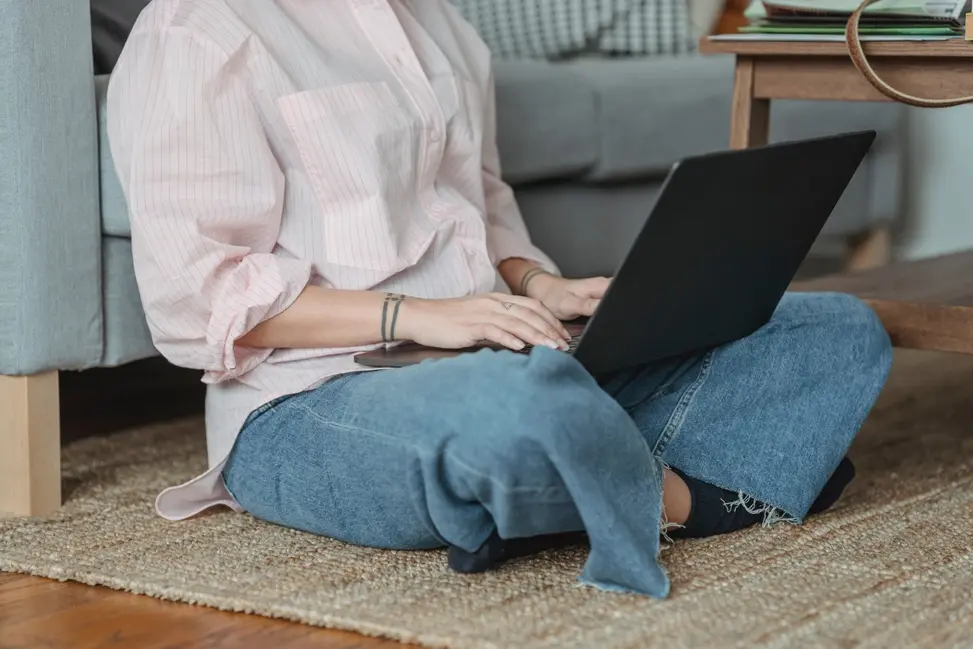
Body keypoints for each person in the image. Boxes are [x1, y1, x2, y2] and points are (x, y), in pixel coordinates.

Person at [107, 0, 892, 598]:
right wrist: (420, 317)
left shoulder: (440, 21)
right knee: (509, 410)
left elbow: (478, 206)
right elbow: (196, 298)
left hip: (507, 352)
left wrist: (540, 284)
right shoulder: (199, 30)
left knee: (833, 328)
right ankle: (695, 493)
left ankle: (553, 486)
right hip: (310, 398)